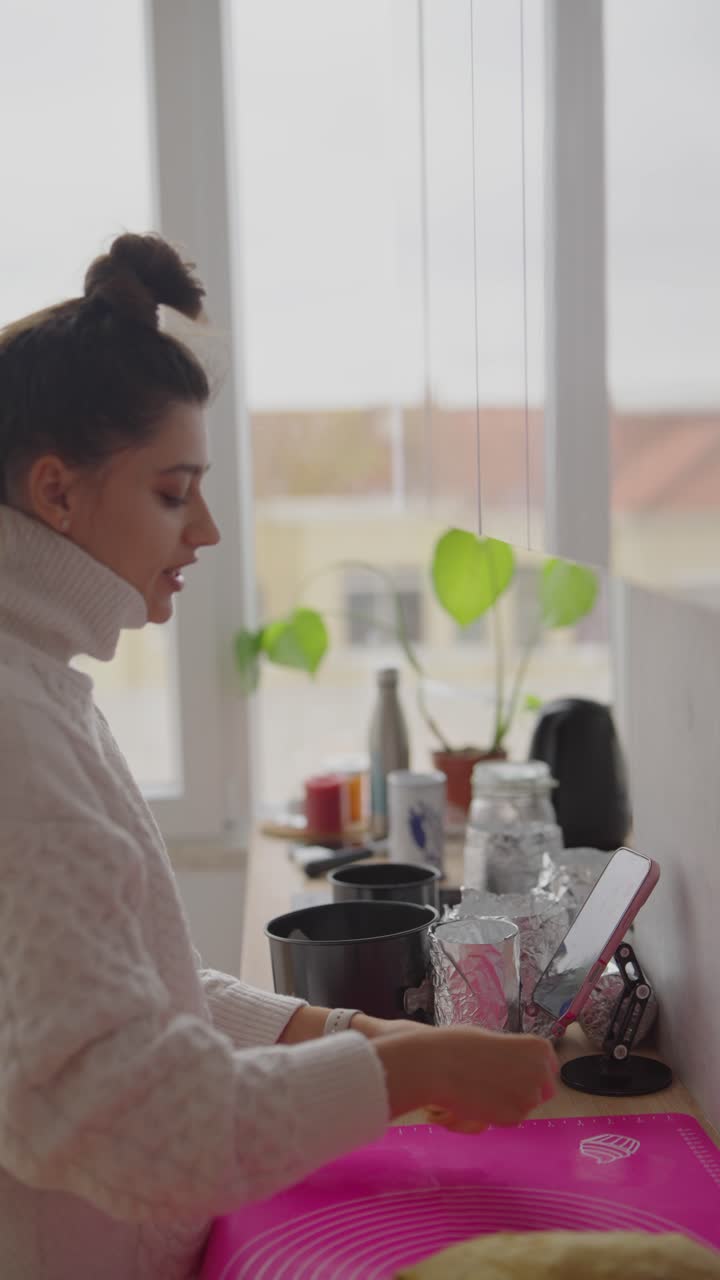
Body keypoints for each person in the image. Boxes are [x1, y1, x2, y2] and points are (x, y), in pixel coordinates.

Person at [0, 232, 558, 1280]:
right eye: (174, 491)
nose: (204, 528)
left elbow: (131, 991)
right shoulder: (17, 734)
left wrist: (337, 1030)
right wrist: (404, 1067)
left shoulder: (40, 689)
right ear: (56, 491)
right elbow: (131, 1119)